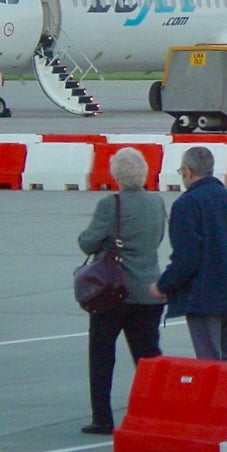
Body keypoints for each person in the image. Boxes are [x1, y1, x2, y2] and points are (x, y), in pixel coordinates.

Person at [149, 146, 227, 361]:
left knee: (210, 364)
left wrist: (163, 285)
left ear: (187, 171)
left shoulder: (185, 205)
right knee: (222, 362)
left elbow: (186, 258)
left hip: (204, 300)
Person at [76, 147, 167, 435]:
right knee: (148, 357)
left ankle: (102, 417)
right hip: (149, 289)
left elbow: (88, 243)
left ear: (116, 175)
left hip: (113, 293)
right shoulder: (157, 203)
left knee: (102, 354)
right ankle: (154, 411)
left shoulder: (110, 205)